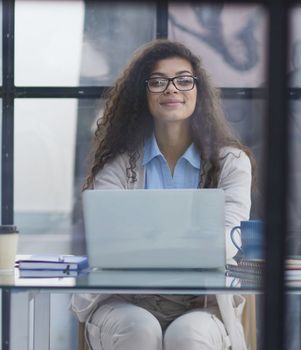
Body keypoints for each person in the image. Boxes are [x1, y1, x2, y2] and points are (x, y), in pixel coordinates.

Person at [71, 39, 256, 350]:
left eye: (184, 80)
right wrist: (191, 242)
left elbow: (229, 240)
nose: (172, 89)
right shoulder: (117, 164)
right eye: (158, 82)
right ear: (142, 94)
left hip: (202, 301)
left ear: (199, 90)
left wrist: (148, 242)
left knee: (188, 336)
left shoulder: (231, 163)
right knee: (139, 329)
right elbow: (109, 241)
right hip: (125, 300)